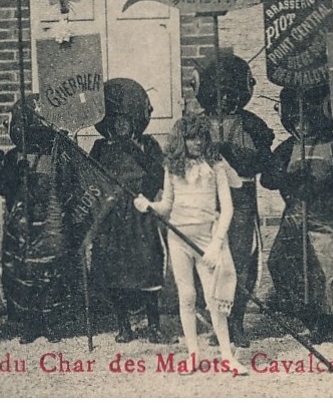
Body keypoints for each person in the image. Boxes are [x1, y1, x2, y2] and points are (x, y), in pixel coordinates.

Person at [138, 114, 243, 371]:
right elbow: (167, 207)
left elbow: (228, 208)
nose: (197, 142)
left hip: (208, 239)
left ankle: (227, 355)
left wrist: (216, 244)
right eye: (191, 137)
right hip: (179, 239)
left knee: (213, 297)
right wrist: (148, 205)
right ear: (181, 140)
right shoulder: (172, 168)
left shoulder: (216, 166)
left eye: (201, 137)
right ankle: (193, 354)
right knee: (187, 295)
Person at [260, 84, 333, 344]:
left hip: (328, 218)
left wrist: (320, 184)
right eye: (296, 121)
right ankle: (313, 320)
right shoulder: (287, 148)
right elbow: (267, 179)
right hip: (295, 219)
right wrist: (289, 178)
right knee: (281, 263)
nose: (301, 127)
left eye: (306, 121)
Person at [197, 51, 274, 347]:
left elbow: (263, 163)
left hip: (241, 200)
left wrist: (231, 152)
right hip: (207, 202)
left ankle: (237, 321)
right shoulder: (197, 125)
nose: (224, 102)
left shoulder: (252, 125)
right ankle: (218, 323)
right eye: (218, 95)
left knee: (242, 261)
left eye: (231, 95)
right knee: (212, 262)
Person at [84, 78, 168, 344]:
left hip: (139, 215)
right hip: (111, 218)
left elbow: (160, 176)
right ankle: (124, 326)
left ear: (134, 121)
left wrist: (133, 150)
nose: (120, 126)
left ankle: (154, 324)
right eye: (115, 121)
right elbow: (89, 178)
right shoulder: (100, 147)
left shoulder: (148, 145)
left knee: (147, 268)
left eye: (125, 121)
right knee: (114, 272)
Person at [0, 98, 77, 344]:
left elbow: (69, 186)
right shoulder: (13, 157)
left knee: (52, 272)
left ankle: (52, 321)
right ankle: (30, 323)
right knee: (24, 272)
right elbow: (3, 189)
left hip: (51, 223)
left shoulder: (58, 156)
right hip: (23, 225)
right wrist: (16, 174)